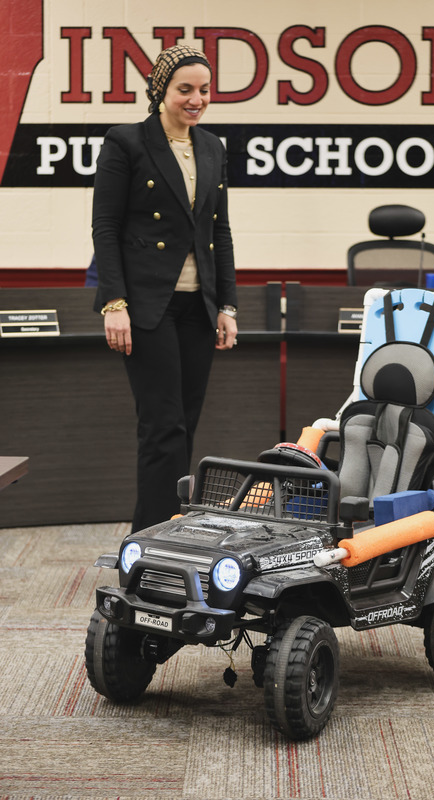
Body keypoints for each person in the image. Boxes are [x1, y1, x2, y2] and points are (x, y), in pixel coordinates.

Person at [92, 44, 238, 532]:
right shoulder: (127, 142)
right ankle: (151, 544)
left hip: (198, 307)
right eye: (185, 90)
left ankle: (160, 531)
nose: (196, 99)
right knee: (162, 428)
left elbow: (219, 231)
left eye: (204, 90)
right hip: (146, 306)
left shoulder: (213, 147)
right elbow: (106, 227)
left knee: (184, 428)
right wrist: (113, 302)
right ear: (161, 90)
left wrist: (227, 305)